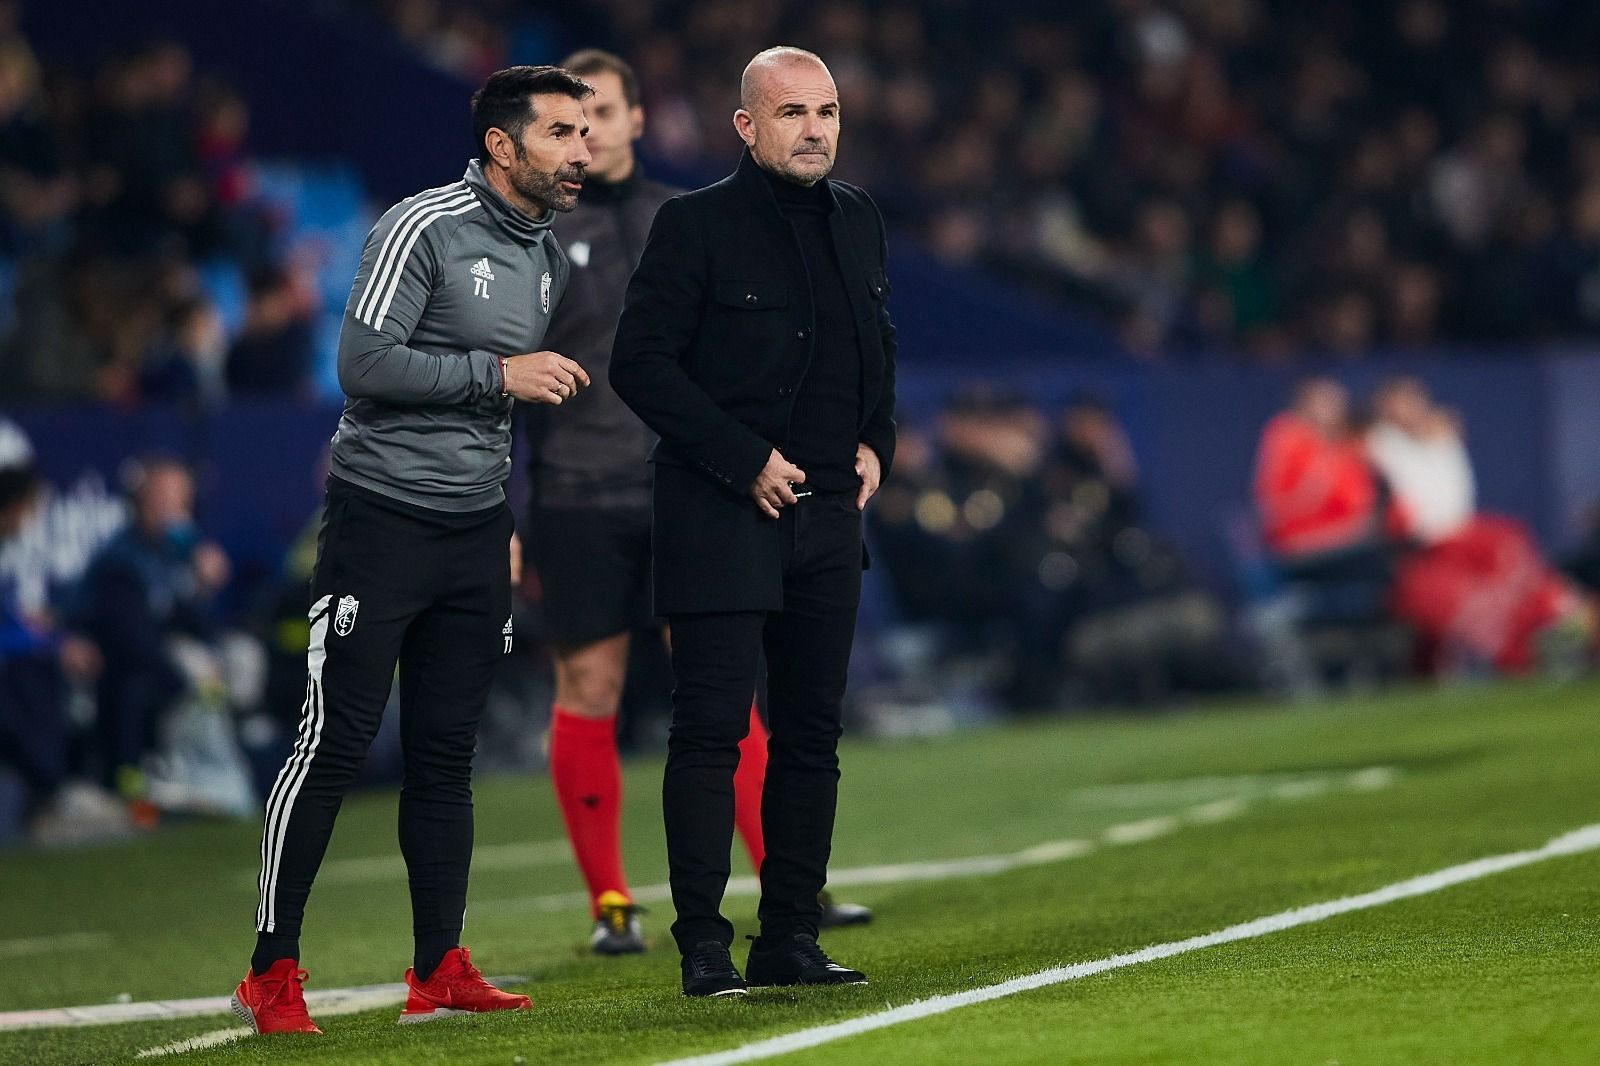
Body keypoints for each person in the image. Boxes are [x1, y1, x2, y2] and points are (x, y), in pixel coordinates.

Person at [231, 65, 596, 1036]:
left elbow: (505, 412)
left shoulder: (546, 255)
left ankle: (437, 963)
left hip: (474, 529)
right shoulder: (421, 225)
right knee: (334, 741)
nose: (581, 148)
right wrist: (495, 372)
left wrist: (506, 518)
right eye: (560, 132)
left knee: (446, 753)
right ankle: (272, 968)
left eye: (584, 129)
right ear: (501, 146)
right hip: (379, 521)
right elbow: (362, 364)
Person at [524, 48, 868, 957]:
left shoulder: (682, 215)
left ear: (639, 118)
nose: (587, 130)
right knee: (604, 687)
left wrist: (871, 439)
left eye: (600, 110)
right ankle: (614, 900)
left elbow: (863, 345)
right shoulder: (537, 233)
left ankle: (789, 897)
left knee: (741, 699)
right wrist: (510, 515)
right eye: (566, 117)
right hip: (583, 492)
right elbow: (516, 376)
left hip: (709, 491)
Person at [611, 46, 895, 997]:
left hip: (824, 518)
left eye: (827, 111)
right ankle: (701, 946)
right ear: (745, 126)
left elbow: (875, 351)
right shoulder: (692, 225)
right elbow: (640, 364)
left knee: (812, 735)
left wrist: (874, 444)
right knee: (711, 733)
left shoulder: (859, 219)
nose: (814, 129)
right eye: (791, 114)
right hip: (718, 511)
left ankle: (789, 940)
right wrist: (742, 461)